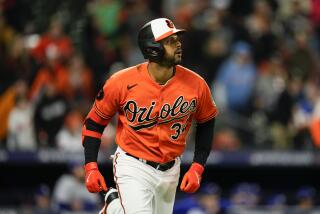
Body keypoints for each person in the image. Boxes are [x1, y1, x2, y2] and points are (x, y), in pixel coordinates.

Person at [82, 18, 218, 214]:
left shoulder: (196, 84)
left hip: (171, 169)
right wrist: (91, 167)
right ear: (152, 48)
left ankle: (114, 208)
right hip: (133, 164)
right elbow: (94, 123)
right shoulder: (121, 82)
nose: (179, 44)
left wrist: (197, 166)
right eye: (170, 41)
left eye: (177, 39)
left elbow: (207, 122)